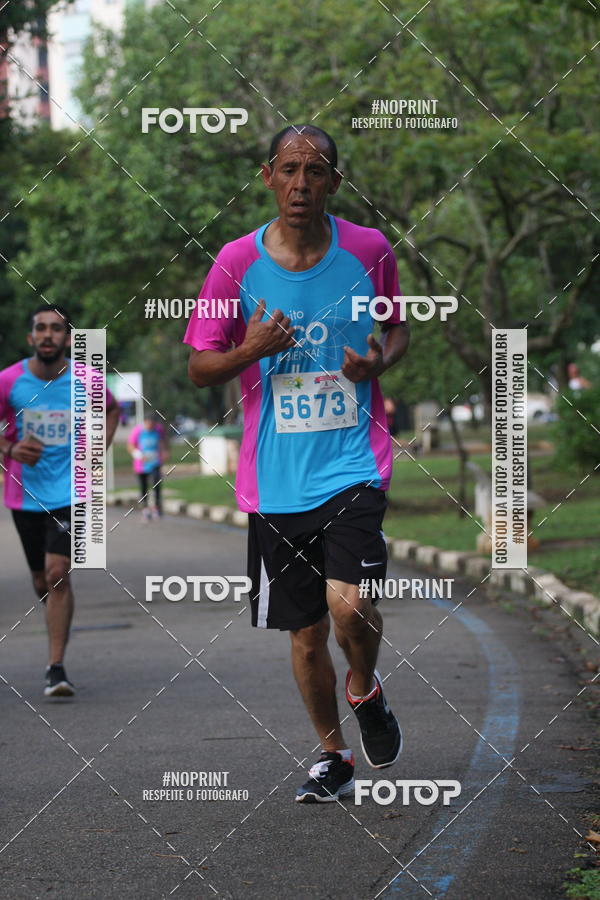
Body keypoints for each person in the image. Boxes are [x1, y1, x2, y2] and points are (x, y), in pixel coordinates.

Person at [184, 126, 410, 802]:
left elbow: (398, 326)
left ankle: (365, 687)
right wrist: (250, 347)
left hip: (352, 464)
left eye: (316, 172)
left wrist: (379, 362)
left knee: (350, 607)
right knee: (306, 636)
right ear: (268, 177)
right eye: (289, 170)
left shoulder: (369, 250)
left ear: (334, 183)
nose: (301, 184)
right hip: (275, 481)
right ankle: (333, 754)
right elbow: (199, 366)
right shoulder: (233, 263)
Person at [0, 305, 119, 697]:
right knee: (41, 580)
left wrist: (98, 449)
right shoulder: (9, 381)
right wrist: (10, 447)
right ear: (31, 337)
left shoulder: (85, 379)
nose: (48, 335)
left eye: (57, 329)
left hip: (73, 492)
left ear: (68, 338)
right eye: (41, 328)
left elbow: (113, 408)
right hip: (25, 495)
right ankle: (56, 607)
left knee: (56, 573)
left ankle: (56, 668)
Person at [127, 412, 167, 521]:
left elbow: (163, 441)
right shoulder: (138, 430)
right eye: (149, 424)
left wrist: (164, 452)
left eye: (153, 424)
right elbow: (130, 445)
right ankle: (145, 509)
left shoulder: (158, 429)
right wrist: (138, 455)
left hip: (155, 462)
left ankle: (157, 508)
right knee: (143, 487)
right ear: (145, 422)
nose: (151, 427)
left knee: (156, 485)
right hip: (141, 465)